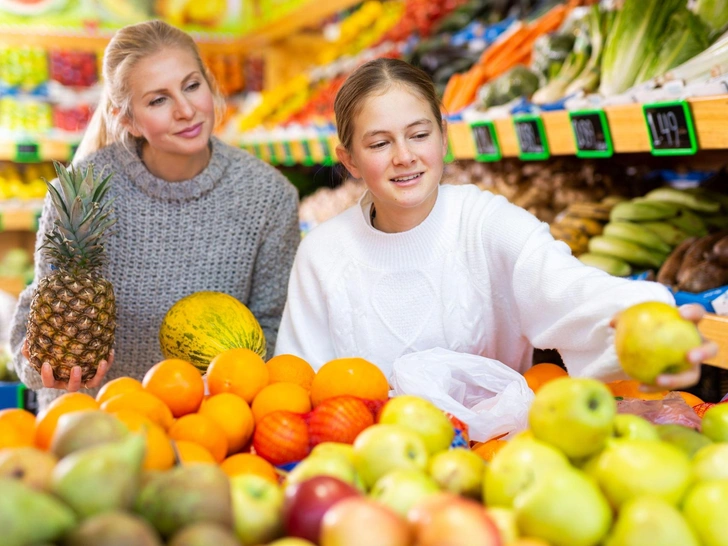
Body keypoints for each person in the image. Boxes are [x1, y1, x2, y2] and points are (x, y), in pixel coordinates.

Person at [275, 57, 717, 390]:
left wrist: (654, 313)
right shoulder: (322, 255)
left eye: (419, 134)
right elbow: (297, 389)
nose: (404, 156)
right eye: (379, 143)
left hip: (497, 461)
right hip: (367, 479)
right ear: (349, 160)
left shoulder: (487, 224)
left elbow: (571, 290)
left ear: (444, 138)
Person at [10, 20, 300, 410]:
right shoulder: (81, 190)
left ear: (209, 83)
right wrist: (47, 366)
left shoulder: (268, 196)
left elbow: (274, 328)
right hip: (92, 422)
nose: (186, 110)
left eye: (192, 85)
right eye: (158, 100)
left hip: (210, 427)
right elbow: (37, 316)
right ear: (127, 118)